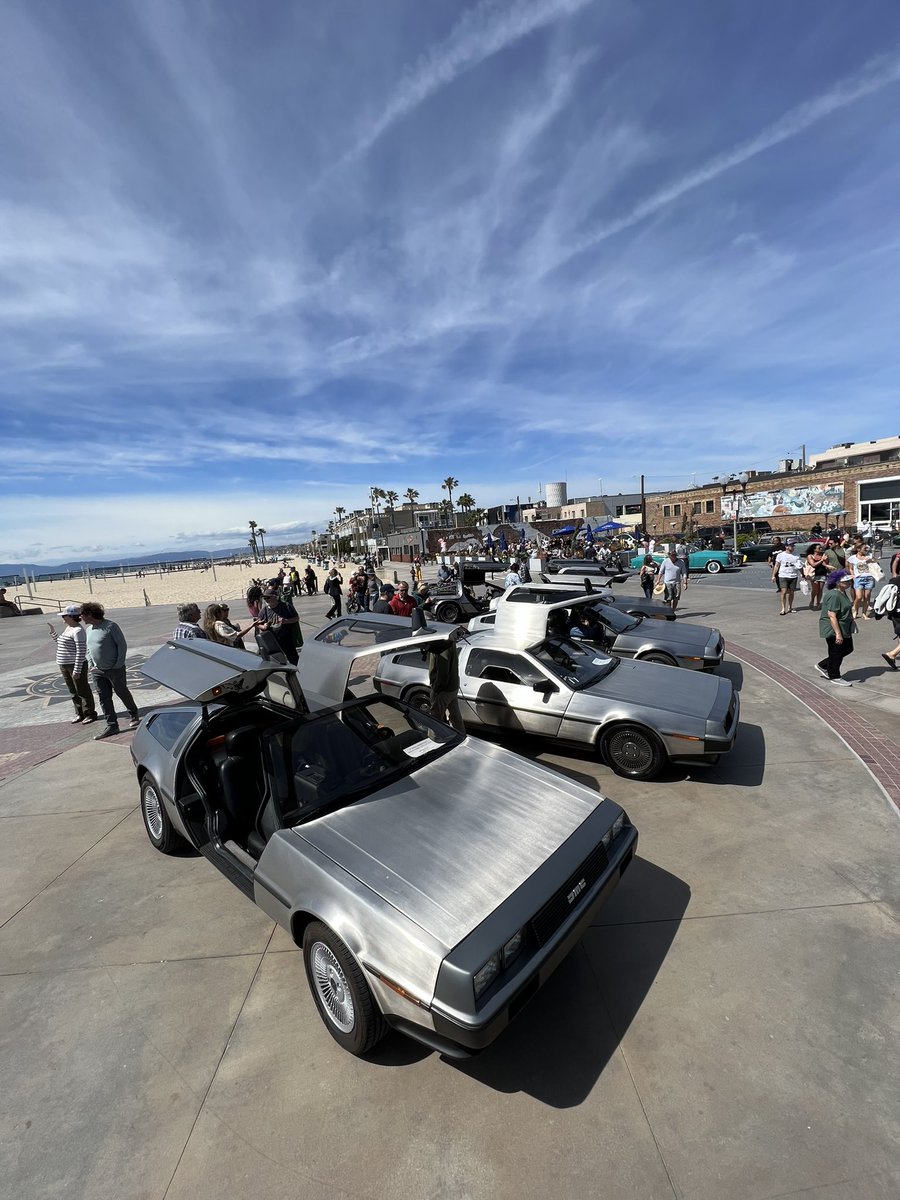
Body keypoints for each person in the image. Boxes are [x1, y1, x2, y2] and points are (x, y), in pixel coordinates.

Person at [80, 601, 140, 738]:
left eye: (82, 615)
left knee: (122, 692)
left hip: (115, 670)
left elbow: (122, 645)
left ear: (89, 615)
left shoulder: (110, 626)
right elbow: (88, 649)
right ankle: (112, 725)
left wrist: (118, 664)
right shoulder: (89, 630)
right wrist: (91, 663)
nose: (81, 618)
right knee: (104, 698)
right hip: (97, 671)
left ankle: (133, 712)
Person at [50, 604, 97, 724]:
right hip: (64, 664)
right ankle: (79, 713)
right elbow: (62, 644)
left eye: (64, 616)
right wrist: (53, 634)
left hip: (74, 665)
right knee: (73, 691)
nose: (63, 618)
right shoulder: (69, 628)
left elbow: (81, 651)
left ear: (71, 616)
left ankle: (90, 714)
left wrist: (77, 670)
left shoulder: (78, 630)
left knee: (82, 690)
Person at [815, 570, 855, 686]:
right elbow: (832, 615)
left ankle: (823, 665)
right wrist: (838, 633)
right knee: (836, 651)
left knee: (847, 648)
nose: (849, 582)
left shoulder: (842, 592)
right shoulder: (834, 595)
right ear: (838, 582)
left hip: (844, 627)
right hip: (834, 628)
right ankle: (835, 675)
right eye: (846, 580)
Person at [428, 628, 466, 734]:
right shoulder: (449, 643)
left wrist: (436, 688)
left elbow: (443, 672)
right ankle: (460, 735)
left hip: (445, 688)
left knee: (435, 717)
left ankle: (435, 740)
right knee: (455, 715)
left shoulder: (441, 646)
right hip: (452, 686)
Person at [256, 585, 301, 664]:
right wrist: (264, 626)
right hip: (272, 641)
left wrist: (285, 621)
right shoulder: (264, 611)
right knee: (277, 661)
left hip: (286, 639)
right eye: (265, 598)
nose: (266, 600)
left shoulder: (286, 607)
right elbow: (257, 623)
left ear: (275, 597)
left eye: (268, 597)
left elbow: (296, 618)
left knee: (294, 659)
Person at [880, 549, 900, 670]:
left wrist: (895, 567)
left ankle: (893, 655)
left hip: (894, 612)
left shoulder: (893, 580)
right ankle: (892, 654)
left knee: (899, 634)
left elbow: (896, 562)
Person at [772, 541, 803, 615]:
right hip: (783, 575)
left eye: (793, 545)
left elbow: (799, 566)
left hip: (793, 575)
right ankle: (783, 608)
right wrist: (773, 575)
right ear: (786, 546)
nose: (792, 547)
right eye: (791, 545)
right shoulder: (780, 555)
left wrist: (803, 574)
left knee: (792, 592)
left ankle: (790, 607)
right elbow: (776, 565)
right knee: (784, 591)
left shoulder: (797, 555)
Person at [847, 541, 876, 620]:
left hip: (869, 578)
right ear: (858, 549)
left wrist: (871, 561)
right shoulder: (852, 558)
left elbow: (876, 565)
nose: (866, 549)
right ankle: (855, 609)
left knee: (867, 597)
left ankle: (864, 613)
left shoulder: (869, 556)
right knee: (859, 597)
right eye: (864, 548)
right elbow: (850, 568)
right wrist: (853, 576)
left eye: (866, 548)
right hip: (859, 578)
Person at [805, 543, 828, 611]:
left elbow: (826, 564)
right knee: (815, 589)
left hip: (822, 573)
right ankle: (812, 600)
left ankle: (818, 603)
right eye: (819, 548)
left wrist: (825, 560)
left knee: (820, 589)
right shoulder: (810, 556)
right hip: (814, 574)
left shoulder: (822, 555)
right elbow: (813, 564)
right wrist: (821, 560)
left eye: (821, 548)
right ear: (814, 549)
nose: (821, 549)